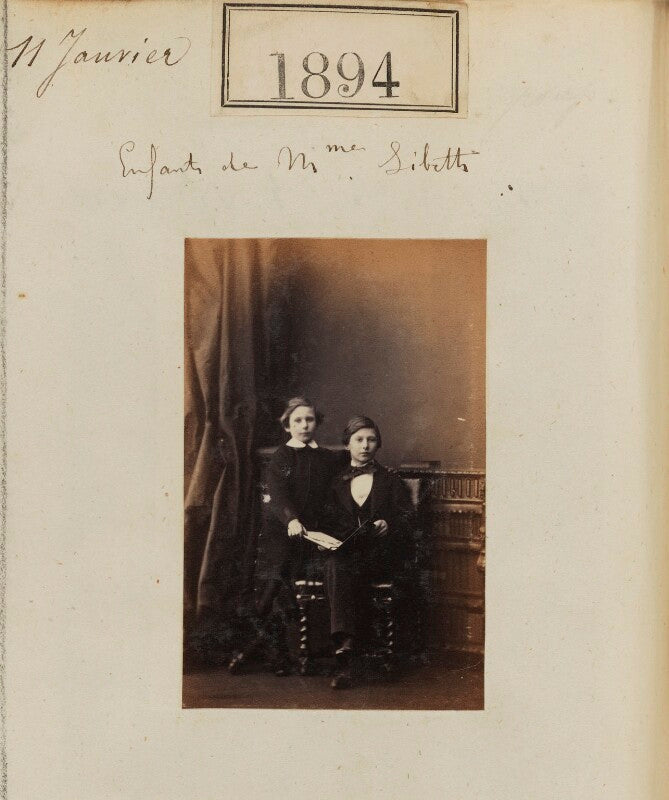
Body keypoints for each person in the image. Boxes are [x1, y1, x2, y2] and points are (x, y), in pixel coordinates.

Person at [229, 396, 339, 675]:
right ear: (288, 426)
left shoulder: (326, 457)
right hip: (283, 532)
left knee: (291, 585)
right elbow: (277, 495)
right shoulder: (282, 456)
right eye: (297, 421)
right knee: (276, 583)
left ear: (317, 423)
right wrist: (291, 519)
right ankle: (271, 652)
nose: (304, 425)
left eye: (309, 419)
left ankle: (259, 650)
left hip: (313, 535)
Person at [321, 415, 413, 689]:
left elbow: (408, 517)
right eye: (359, 440)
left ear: (378, 444)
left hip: (379, 554)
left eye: (371, 440)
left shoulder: (390, 480)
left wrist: (390, 523)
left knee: (342, 568)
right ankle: (346, 647)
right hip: (345, 553)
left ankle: (346, 650)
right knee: (337, 563)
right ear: (347, 444)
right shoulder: (334, 482)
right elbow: (325, 519)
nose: (365, 445)